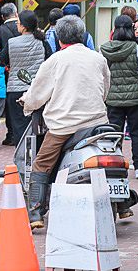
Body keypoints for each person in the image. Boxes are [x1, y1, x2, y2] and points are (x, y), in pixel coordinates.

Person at [20, 16, 110, 229]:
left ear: (59, 38)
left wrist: (27, 102)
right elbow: (105, 89)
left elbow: (37, 93)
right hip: (98, 123)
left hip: (64, 125)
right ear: (83, 35)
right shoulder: (98, 58)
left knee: (41, 164)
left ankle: (36, 214)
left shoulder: (55, 61)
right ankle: (123, 205)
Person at [101, 15, 138, 181]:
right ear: (130, 29)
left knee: (114, 133)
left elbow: (102, 75)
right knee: (137, 133)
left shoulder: (104, 49)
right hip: (135, 97)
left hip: (113, 98)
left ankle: (115, 166)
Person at [0, 10, 48, 143]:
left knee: (19, 126)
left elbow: (1, 61)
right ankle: (35, 155)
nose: (16, 25)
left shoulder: (12, 42)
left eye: (18, 23)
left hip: (15, 90)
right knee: (37, 125)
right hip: (37, 90)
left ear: (24, 26)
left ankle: (22, 156)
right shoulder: (42, 42)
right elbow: (50, 61)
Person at [0, 2, 20, 145]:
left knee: (10, 105)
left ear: (2, 16)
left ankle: (11, 135)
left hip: (6, 73)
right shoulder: (23, 29)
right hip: (25, 73)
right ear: (16, 14)